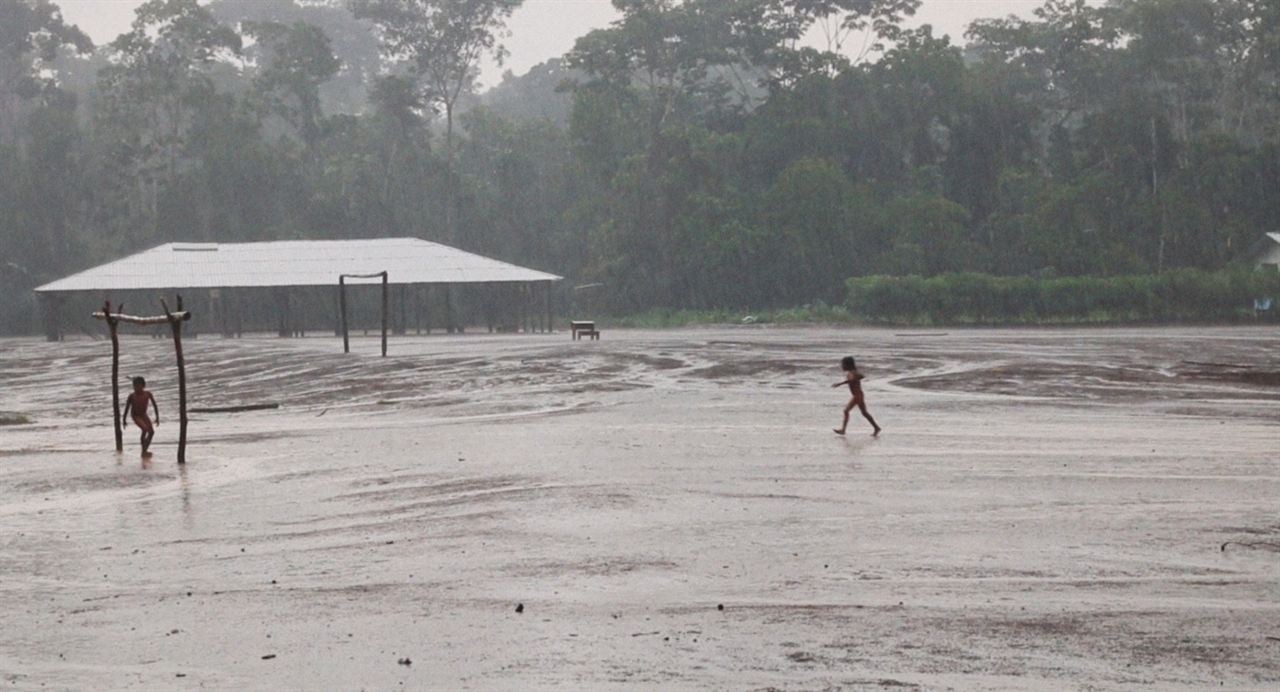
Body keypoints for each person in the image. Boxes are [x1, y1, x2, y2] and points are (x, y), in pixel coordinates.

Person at [832, 356, 881, 436]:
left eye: (843, 365)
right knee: (864, 413)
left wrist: (839, 384)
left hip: (857, 396)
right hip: (858, 395)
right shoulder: (852, 372)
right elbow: (858, 377)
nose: (842, 366)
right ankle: (876, 427)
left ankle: (843, 430)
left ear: (848, 365)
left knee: (846, 411)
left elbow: (853, 379)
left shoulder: (852, 373)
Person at [122, 376, 159, 456]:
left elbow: (155, 405)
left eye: (137, 386)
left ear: (143, 386)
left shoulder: (147, 394)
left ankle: (145, 449)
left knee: (151, 432)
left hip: (143, 414)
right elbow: (127, 408)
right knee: (145, 429)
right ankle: (143, 451)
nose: (135, 388)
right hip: (135, 415)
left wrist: (157, 417)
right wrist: (124, 420)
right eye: (134, 386)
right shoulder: (132, 396)